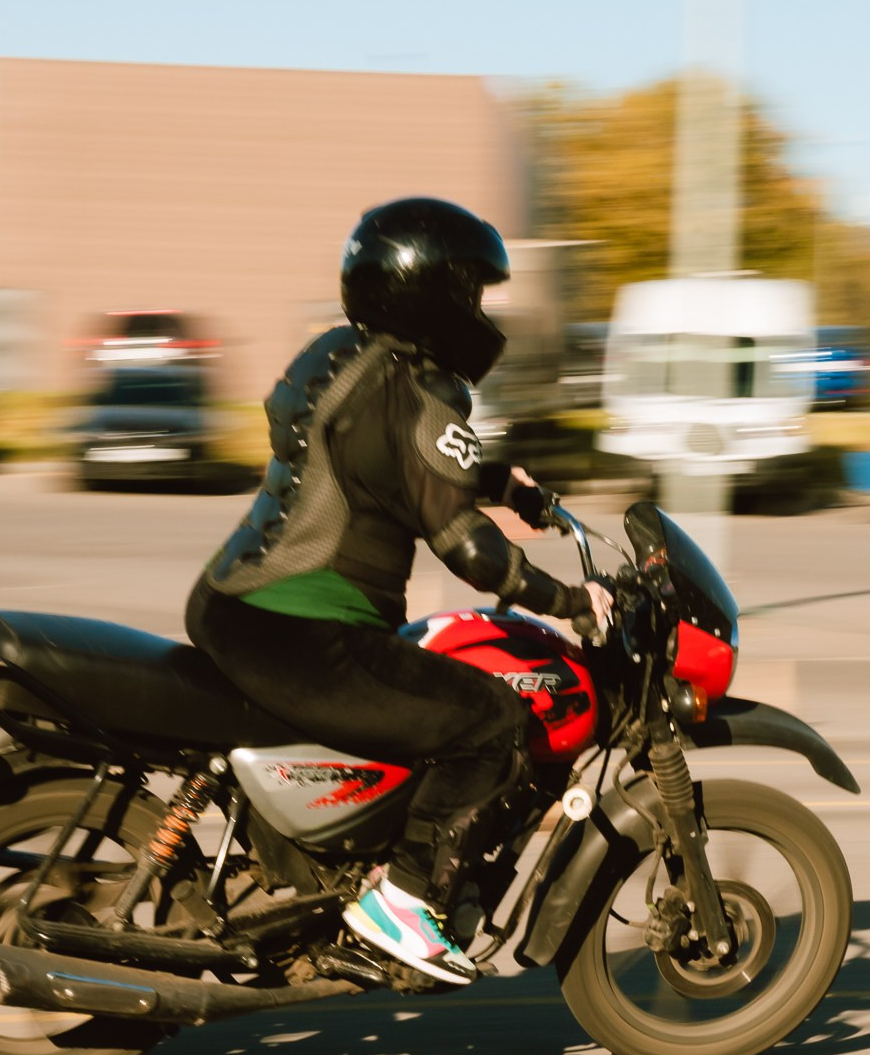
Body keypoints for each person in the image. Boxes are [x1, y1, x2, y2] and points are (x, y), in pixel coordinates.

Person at [185, 197, 611, 985]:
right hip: (307, 635)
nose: (480, 312)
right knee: (490, 721)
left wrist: (497, 482)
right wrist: (570, 601)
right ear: (434, 295)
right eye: (472, 293)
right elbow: (469, 551)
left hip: (235, 607)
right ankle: (406, 900)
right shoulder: (419, 395)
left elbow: (384, 467)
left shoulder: (340, 356)